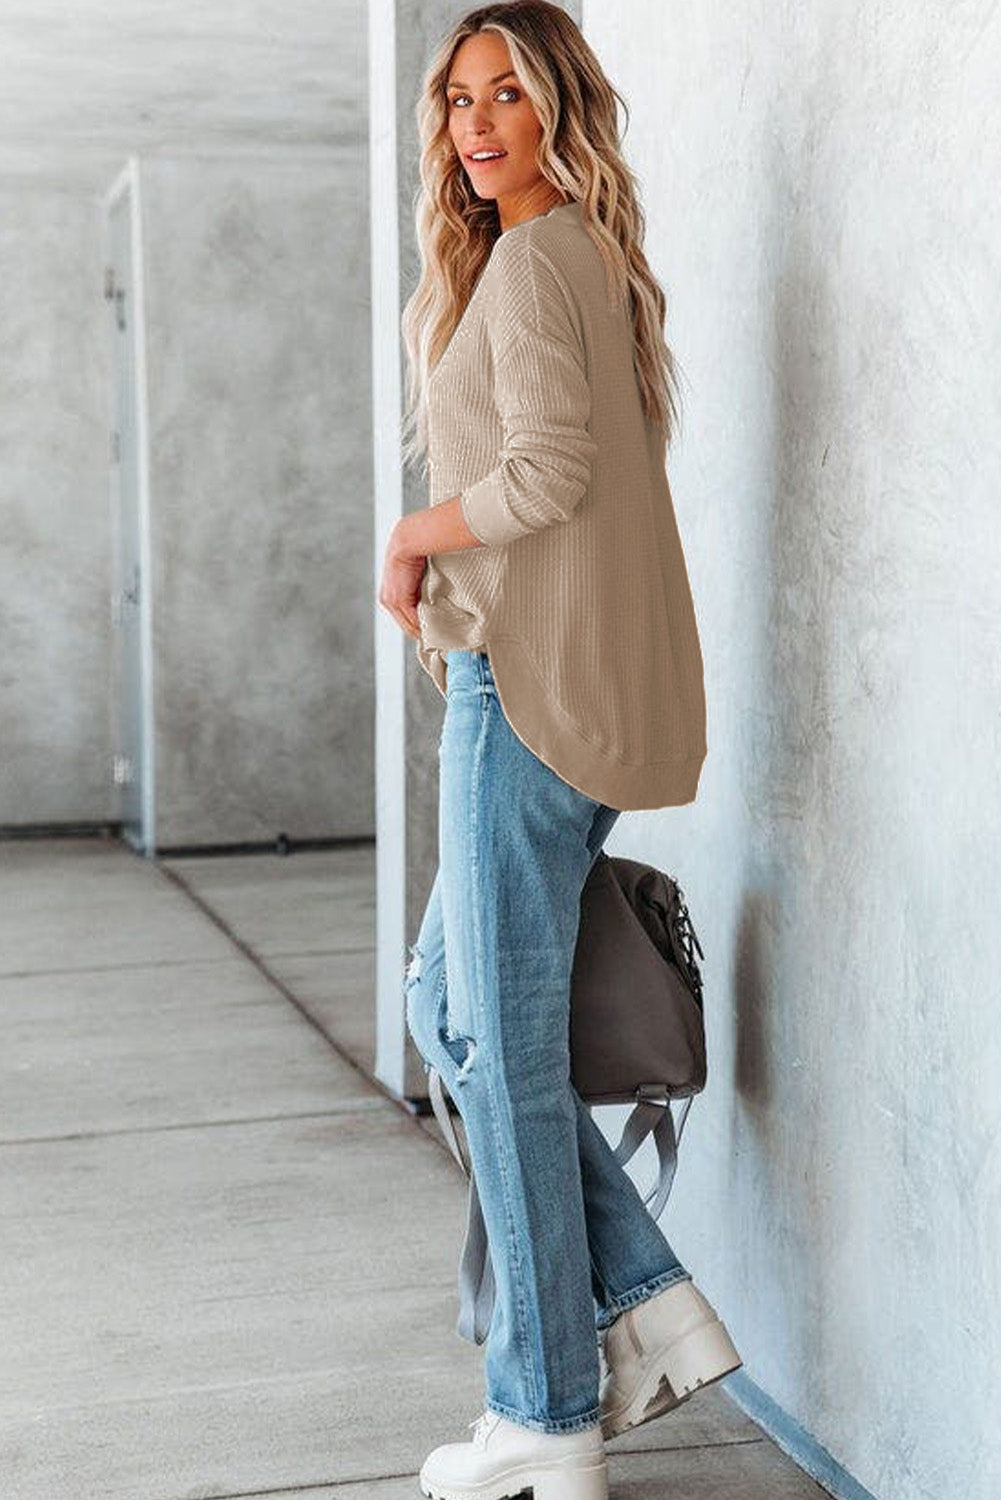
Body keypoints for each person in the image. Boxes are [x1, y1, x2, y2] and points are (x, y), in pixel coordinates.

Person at [378, 5, 741, 1497]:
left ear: (556, 108)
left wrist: (411, 535)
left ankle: (546, 1408)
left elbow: (547, 475)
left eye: (504, 93)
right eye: (456, 99)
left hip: (519, 695)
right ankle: (644, 1308)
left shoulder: (535, 262)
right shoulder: (578, 259)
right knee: (453, 1007)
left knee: (502, 1050)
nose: (474, 123)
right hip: (568, 699)